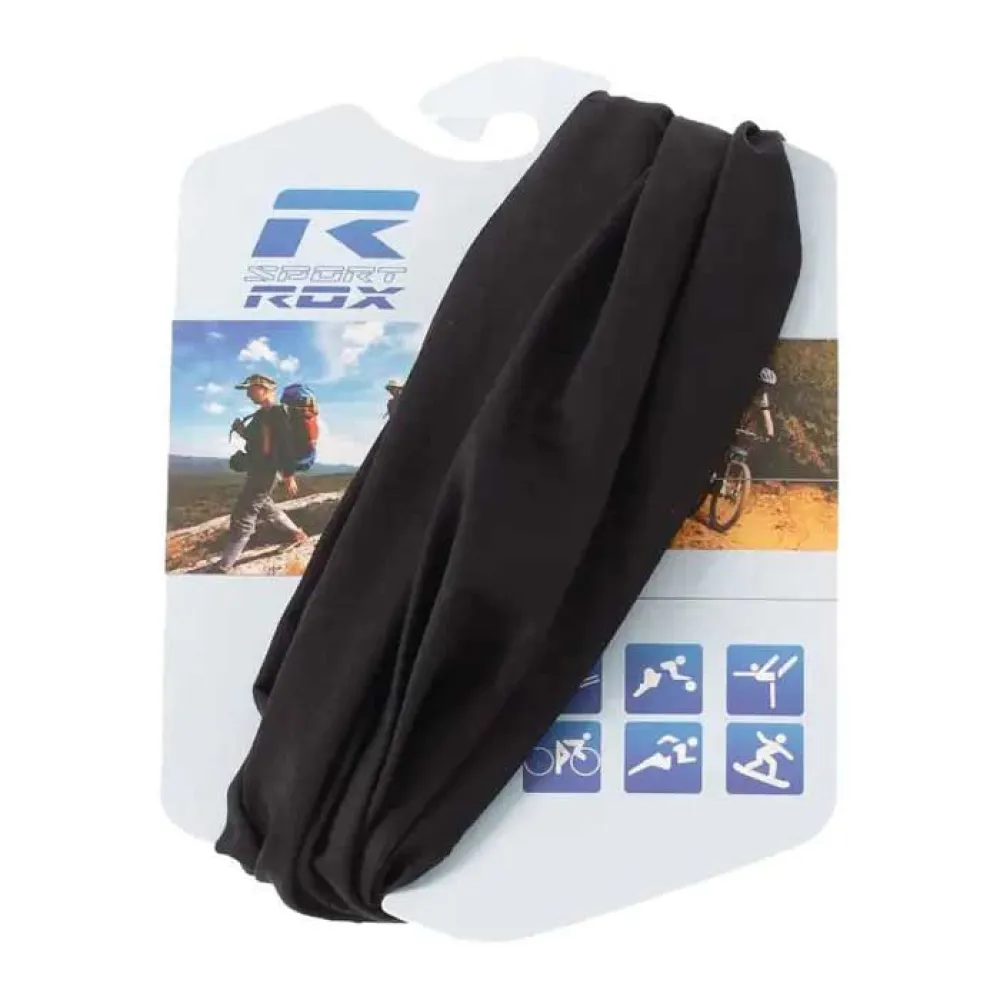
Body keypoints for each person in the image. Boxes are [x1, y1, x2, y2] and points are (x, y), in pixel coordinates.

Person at [213, 374, 307, 573]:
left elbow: (286, 446)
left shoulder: (278, 413)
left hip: (267, 472)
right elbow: (258, 440)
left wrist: (289, 476)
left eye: (250, 389)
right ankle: (296, 534)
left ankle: (224, 566)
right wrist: (241, 430)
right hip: (258, 469)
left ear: (264, 389)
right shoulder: (261, 414)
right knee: (264, 505)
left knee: (243, 515)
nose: (248, 394)